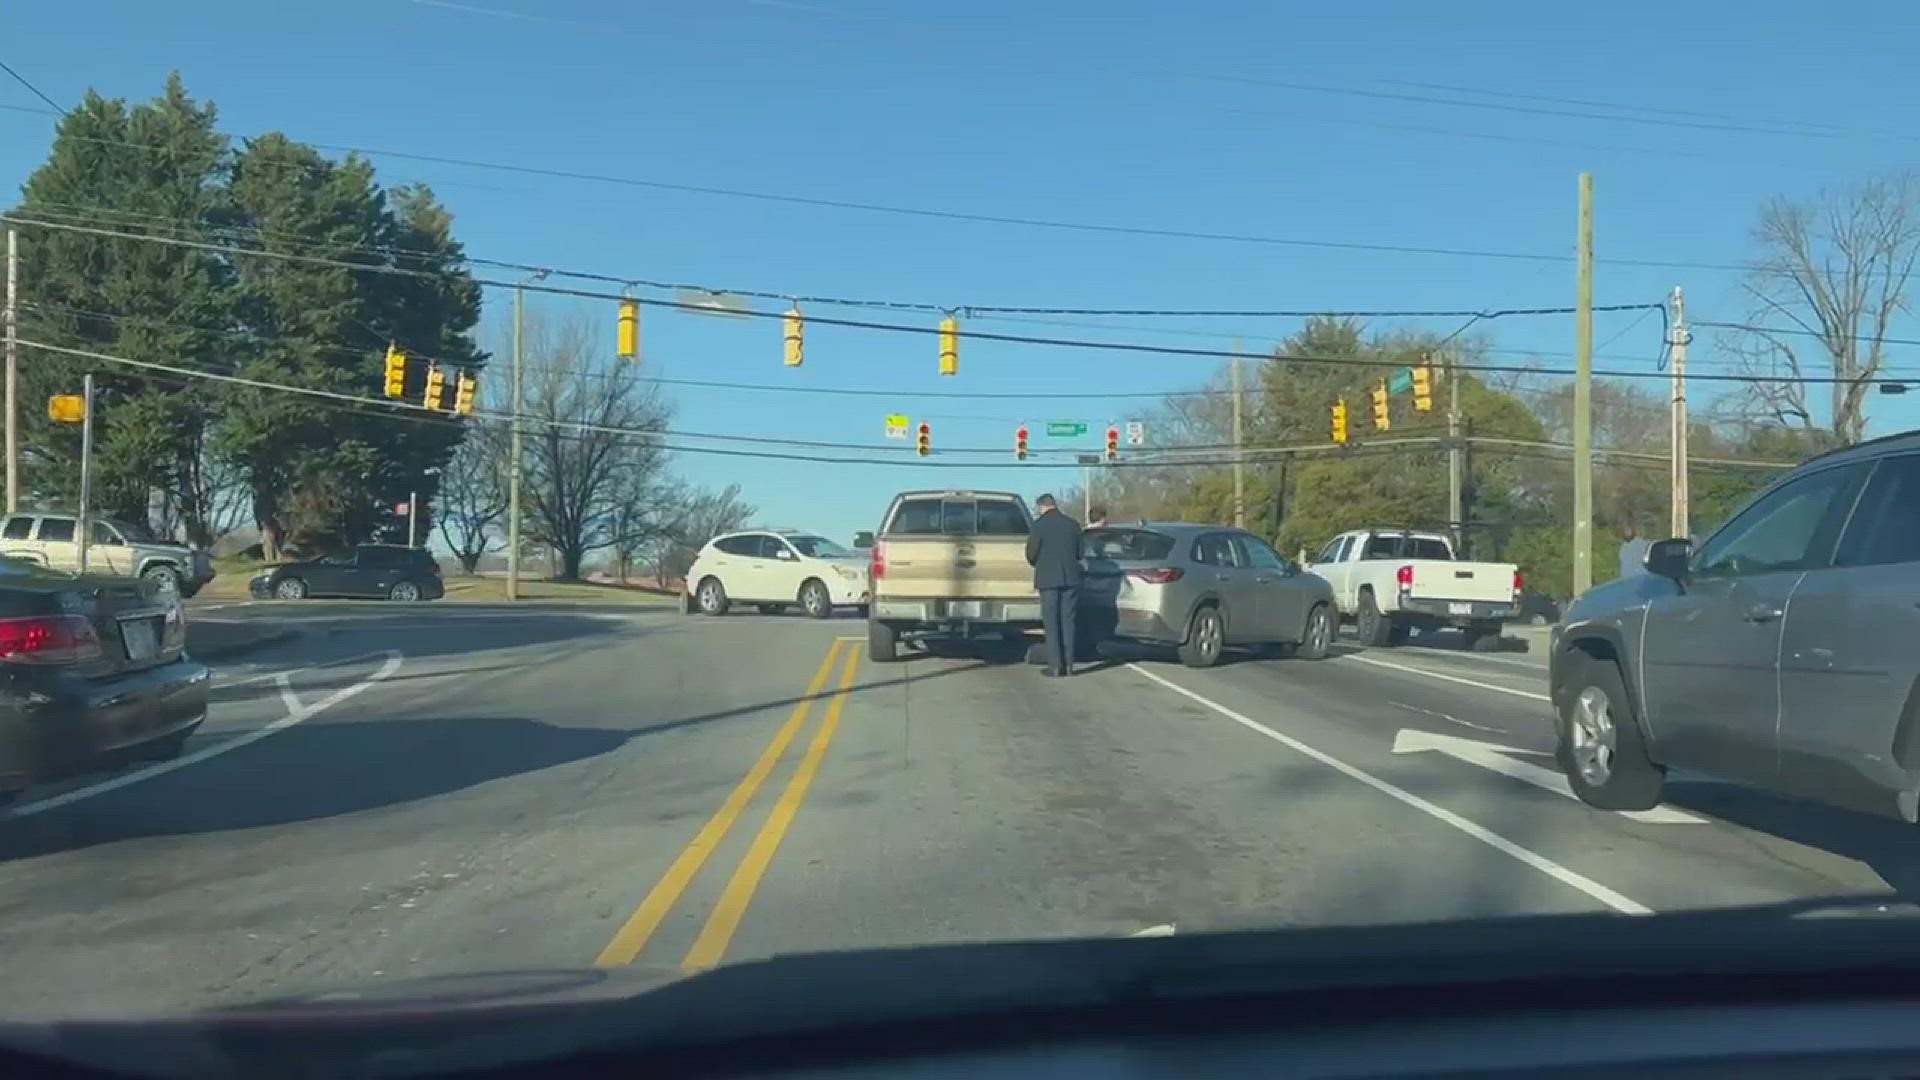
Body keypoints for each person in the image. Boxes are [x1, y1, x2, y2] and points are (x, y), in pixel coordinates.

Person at [1025, 493, 1083, 677]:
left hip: (1048, 579)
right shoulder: (1072, 524)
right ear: (1054, 505)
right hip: (1071, 578)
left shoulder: (1039, 525)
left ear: (1042, 506)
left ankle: (1056, 666)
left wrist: (1040, 564)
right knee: (1068, 622)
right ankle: (1070, 665)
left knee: (1051, 624)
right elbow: (1080, 552)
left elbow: (1031, 554)